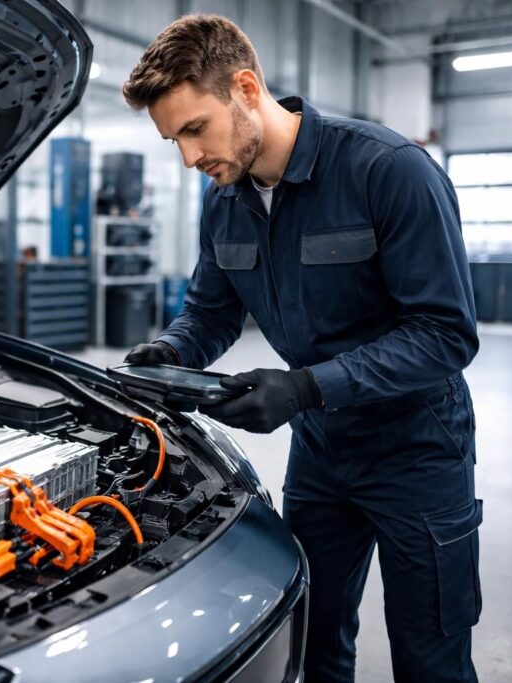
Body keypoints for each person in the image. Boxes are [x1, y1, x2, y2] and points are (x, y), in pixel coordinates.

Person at [121, 15, 481, 683]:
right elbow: (210, 311)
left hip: (418, 453)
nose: (190, 159)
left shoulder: (387, 170)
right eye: (174, 140)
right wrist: (171, 352)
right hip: (321, 457)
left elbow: (445, 333)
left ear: (246, 87)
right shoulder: (225, 203)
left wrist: (307, 385)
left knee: (432, 656)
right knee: (313, 641)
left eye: (194, 129)